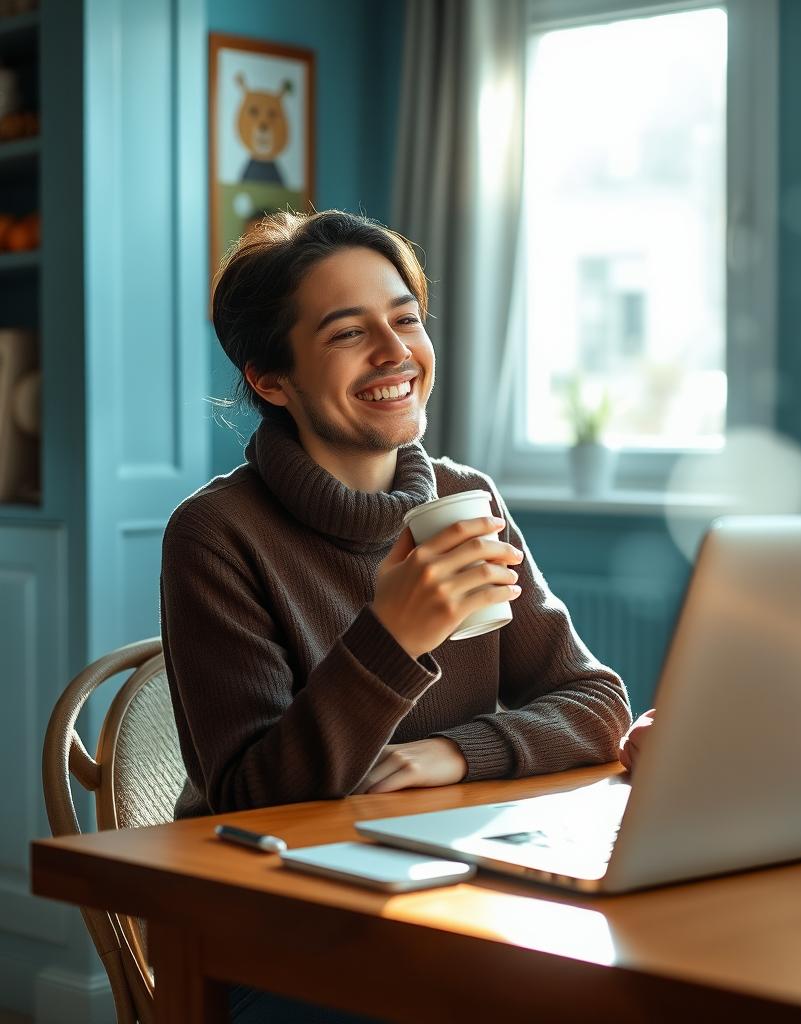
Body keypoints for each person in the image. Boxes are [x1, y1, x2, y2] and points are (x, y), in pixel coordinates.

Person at [159, 209, 633, 1022]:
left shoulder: (465, 500)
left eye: (406, 320)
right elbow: (251, 799)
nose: (395, 353)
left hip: (444, 895)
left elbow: (597, 707)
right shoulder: (217, 536)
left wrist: (455, 753)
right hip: (274, 931)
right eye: (348, 334)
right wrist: (393, 638)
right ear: (272, 381)